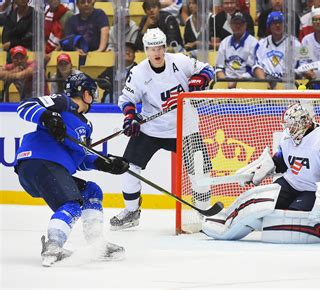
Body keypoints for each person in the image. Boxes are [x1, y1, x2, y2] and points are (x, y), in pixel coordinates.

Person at [14, 73, 129, 267]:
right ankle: (53, 247)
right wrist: (48, 116)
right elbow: (24, 107)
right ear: (85, 93)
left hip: (46, 170)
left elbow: (79, 159)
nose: (93, 97)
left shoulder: (86, 126)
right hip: (39, 161)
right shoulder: (62, 102)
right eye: (92, 93)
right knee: (72, 203)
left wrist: (105, 163)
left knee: (91, 191)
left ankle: (97, 245)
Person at [202, 102, 320, 244]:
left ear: (305, 123)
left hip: (312, 189)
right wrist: (261, 170)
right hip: (290, 183)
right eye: (288, 126)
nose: (289, 130)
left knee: (291, 219)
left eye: (293, 126)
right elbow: (281, 161)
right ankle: (226, 219)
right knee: (259, 203)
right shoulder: (287, 136)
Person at [110, 28, 215, 230]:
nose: (156, 53)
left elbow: (207, 69)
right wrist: (130, 117)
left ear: (165, 47)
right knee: (129, 167)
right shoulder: (138, 73)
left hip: (186, 128)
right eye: (151, 49)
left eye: (159, 48)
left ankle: (204, 213)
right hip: (152, 128)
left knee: (200, 169)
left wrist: (198, 80)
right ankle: (131, 212)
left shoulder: (179, 61)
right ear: (146, 50)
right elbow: (127, 100)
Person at [253, 12, 302, 83]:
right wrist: (265, 83)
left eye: (280, 22)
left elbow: (304, 65)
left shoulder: (296, 43)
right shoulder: (261, 43)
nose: (278, 25)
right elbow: (256, 67)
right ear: (269, 26)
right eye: (274, 23)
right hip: (267, 83)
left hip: (288, 84)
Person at [215, 12, 259, 88]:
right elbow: (219, 68)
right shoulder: (224, 42)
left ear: (245, 25)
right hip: (227, 84)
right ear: (230, 25)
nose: (238, 26)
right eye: (235, 23)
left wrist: (236, 82)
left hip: (246, 85)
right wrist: (225, 82)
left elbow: (253, 70)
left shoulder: (253, 43)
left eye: (240, 23)